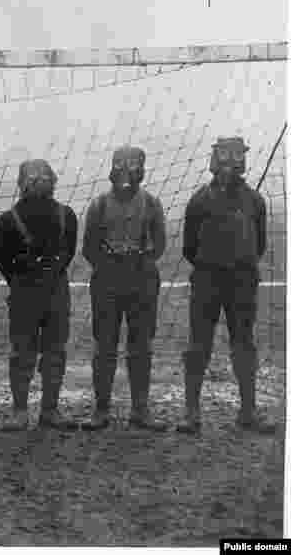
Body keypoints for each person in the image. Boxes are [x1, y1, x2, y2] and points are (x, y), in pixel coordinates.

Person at [178, 137, 277, 435]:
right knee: (199, 346)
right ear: (213, 158)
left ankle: (248, 412)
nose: (229, 163)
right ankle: (191, 413)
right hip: (207, 280)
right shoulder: (199, 200)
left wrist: (238, 264)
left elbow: (259, 245)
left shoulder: (255, 201)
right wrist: (212, 264)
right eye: (223, 155)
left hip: (242, 281)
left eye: (236, 156)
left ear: (244, 160)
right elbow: (189, 247)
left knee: (244, 344)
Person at [82, 146, 168, 431]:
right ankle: (102, 409)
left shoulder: (152, 204)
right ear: (112, 167)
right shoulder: (99, 205)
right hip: (107, 281)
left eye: (133, 165)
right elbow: (89, 248)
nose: (126, 171)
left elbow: (160, 245)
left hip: (142, 280)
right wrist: (111, 262)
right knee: (104, 346)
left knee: (141, 346)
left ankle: (140, 409)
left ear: (142, 169)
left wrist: (137, 258)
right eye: (120, 164)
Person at [0, 159, 78, 431]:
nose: (37, 180)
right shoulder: (7, 220)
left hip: (56, 291)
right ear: (20, 182)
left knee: (55, 352)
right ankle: (19, 411)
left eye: (43, 175)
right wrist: (22, 280)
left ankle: (49, 410)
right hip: (24, 292)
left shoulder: (68, 215)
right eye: (31, 175)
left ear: (53, 180)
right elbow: (2, 258)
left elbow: (69, 250)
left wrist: (48, 273)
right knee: (22, 353)